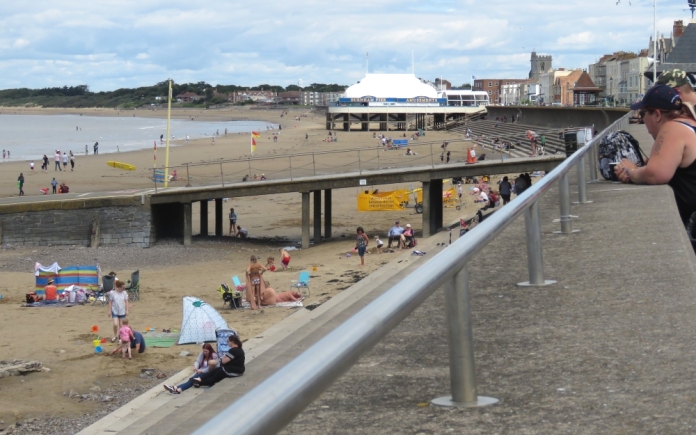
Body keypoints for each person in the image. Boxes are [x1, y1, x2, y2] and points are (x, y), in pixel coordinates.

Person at [615, 84, 696, 251]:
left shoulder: (672, 128)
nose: (641, 119)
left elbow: (655, 174)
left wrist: (630, 171)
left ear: (657, 114)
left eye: (643, 114)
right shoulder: (689, 122)